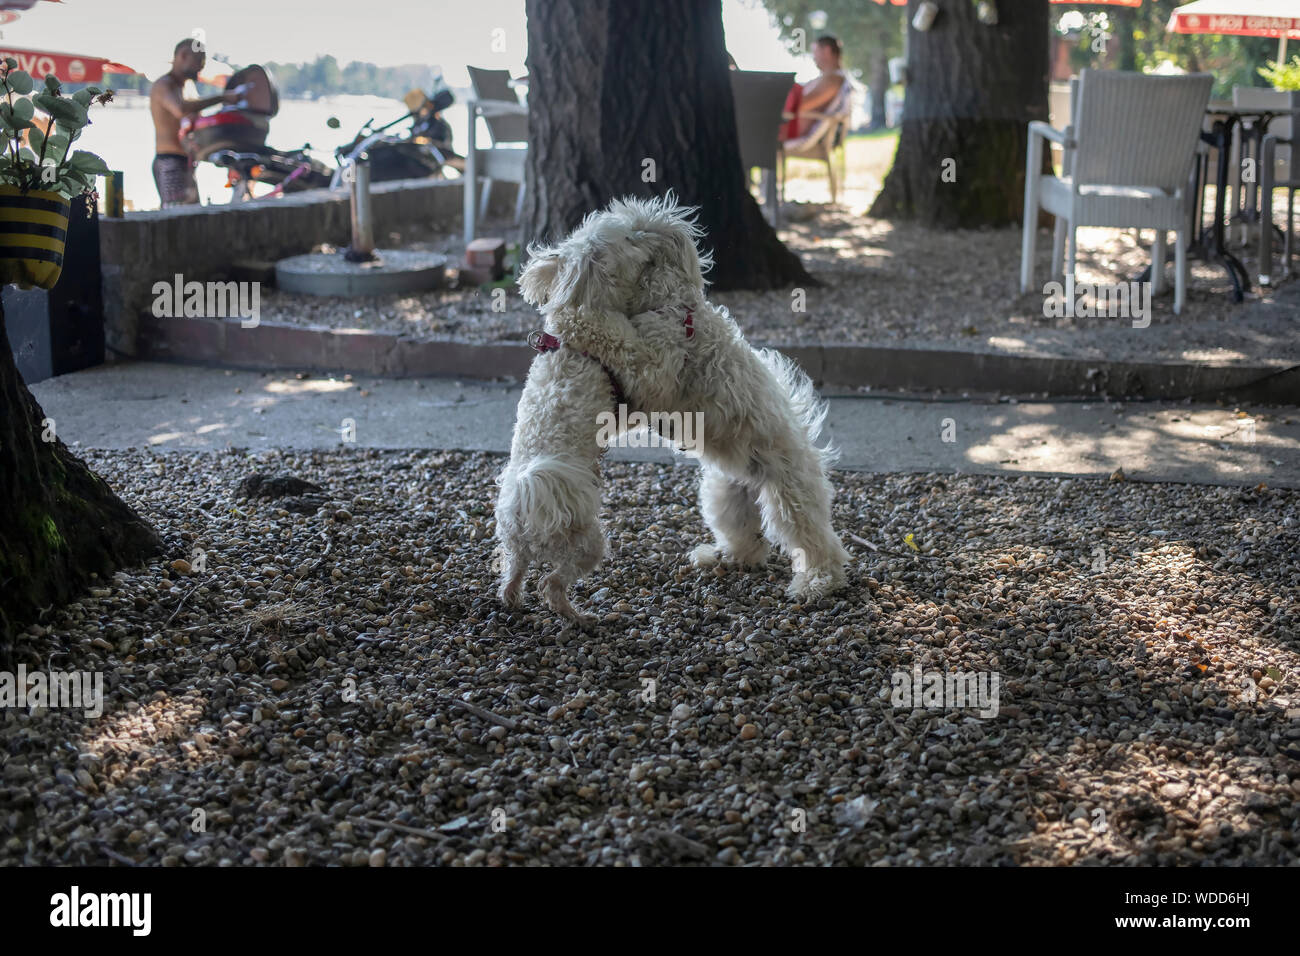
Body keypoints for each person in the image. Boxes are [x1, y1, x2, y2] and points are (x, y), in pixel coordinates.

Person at [149, 38, 239, 206]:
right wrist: (222, 97)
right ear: (182, 56)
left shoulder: (187, 87)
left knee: (192, 214)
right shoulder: (164, 85)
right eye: (199, 61)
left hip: (187, 163)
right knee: (175, 217)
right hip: (169, 162)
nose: (201, 66)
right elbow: (180, 109)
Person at [780, 35, 847, 143]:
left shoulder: (832, 80)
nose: (813, 57)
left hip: (791, 130)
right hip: (789, 125)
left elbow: (801, 106)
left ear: (827, 51)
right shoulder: (829, 78)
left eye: (815, 51)